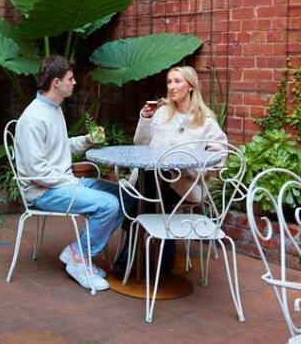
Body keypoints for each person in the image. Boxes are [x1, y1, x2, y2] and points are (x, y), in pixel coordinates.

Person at [14, 55, 122, 292]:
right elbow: (37, 172)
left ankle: (77, 252)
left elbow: (61, 146)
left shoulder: (53, 109)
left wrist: (86, 140)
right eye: (70, 79)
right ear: (56, 82)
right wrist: (74, 184)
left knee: (122, 196)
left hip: (62, 183)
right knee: (108, 205)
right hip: (43, 192)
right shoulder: (33, 119)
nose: (74, 83)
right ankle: (80, 258)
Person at [134, 65, 227, 203]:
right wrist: (146, 119)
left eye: (177, 81)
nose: (172, 86)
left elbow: (220, 155)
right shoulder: (161, 113)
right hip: (150, 176)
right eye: (169, 82)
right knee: (151, 177)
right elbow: (140, 144)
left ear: (190, 86)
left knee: (152, 180)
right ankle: (146, 222)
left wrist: (192, 171)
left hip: (186, 185)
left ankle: (137, 223)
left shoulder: (205, 121)